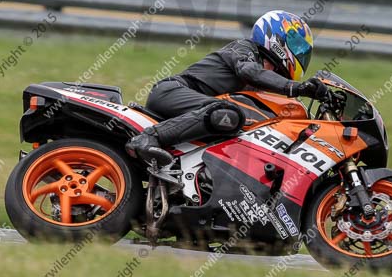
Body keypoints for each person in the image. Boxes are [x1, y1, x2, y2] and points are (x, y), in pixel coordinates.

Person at [126, 10, 330, 165]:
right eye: (296, 44)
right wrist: (296, 87)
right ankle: (148, 138)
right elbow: (249, 71)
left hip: (193, 107)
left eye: (303, 50)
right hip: (171, 92)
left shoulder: (266, 80)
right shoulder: (244, 49)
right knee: (229, 113)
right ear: (276, 35)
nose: (300, 53)